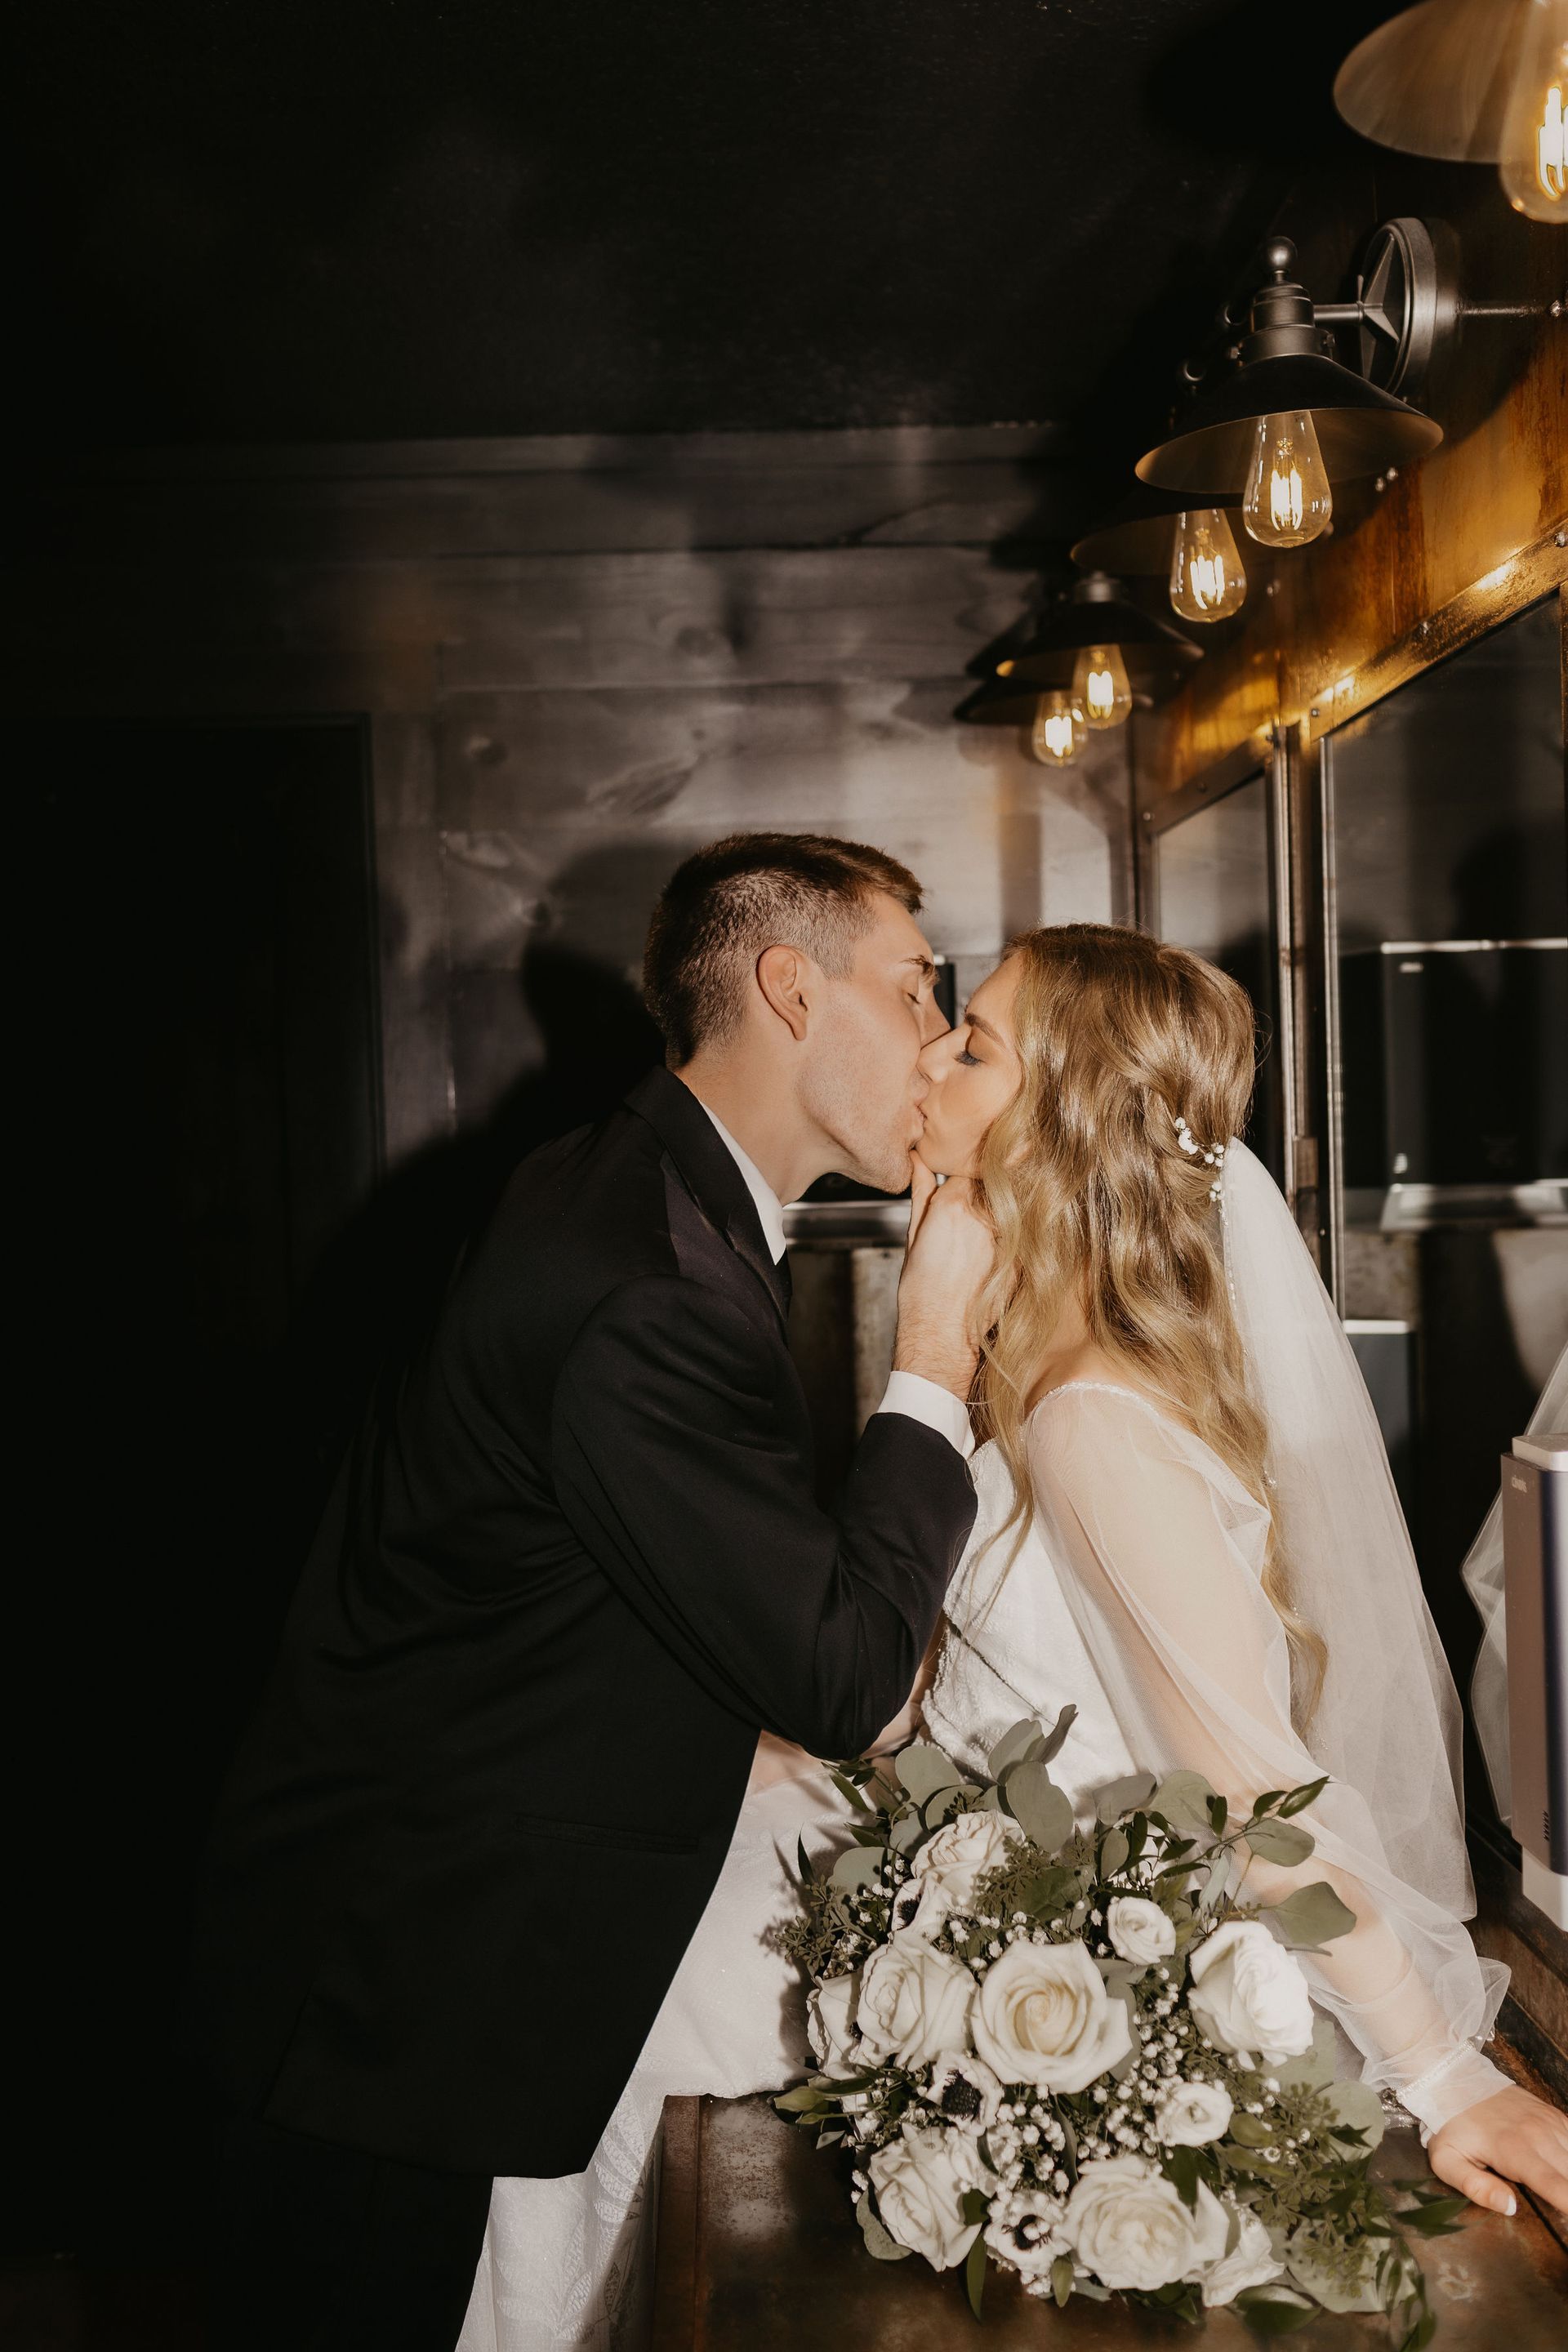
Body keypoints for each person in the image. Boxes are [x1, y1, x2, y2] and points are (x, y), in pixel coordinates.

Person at [191, 831, 993, 2352]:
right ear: (791, 990)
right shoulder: (647, 1282)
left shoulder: (650, 1197)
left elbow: (583, 1565)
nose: (943, 1031)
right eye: (916, 983)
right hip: (384, 1998)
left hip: (393, 1939)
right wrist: (935, 1352)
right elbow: (845, 1681)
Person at [913, 923, 1568, 2216]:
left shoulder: (1092, 1414)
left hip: (1090, 2028)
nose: (934, 1056)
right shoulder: (1035, 1365)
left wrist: (1443, 2076)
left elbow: (1256, 1800)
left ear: (1056, 1126)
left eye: (974, 1042)